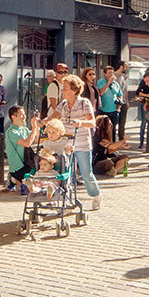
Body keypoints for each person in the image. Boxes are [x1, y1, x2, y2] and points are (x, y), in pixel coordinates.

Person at [47, 74, 102, 209]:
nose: (63, 90)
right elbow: (53, 118)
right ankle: (67, 198)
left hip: (82, 143)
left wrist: (81, 122)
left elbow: (92, 122)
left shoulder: (84, 103)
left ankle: (96, 195)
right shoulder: (63, 104)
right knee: (67, 172)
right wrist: (42, 122)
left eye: (65, 88)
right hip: (67, 144)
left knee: (86, 174)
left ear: (74, 90)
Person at [5, 105, 37, 190]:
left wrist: (38, 127)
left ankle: (16, 181)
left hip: (27, 162)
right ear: (13, 117)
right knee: (27, 188)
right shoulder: (12, 132)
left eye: (24, 115)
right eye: (21, 115)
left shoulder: (24, 129)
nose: (25, 117)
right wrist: (34, 128)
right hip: (18, 166)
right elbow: (27, 143)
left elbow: (37, 139)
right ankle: (13, 179)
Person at [114, 60, 129, 140]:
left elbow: (125, 90)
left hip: (123, 102)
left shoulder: (123, 77)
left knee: (122, 123)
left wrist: (127, 101)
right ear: (121, 67)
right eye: (125, 67)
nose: (126, 69)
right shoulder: (113, 76)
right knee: (115, 123)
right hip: (115, 103)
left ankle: (121, 140)